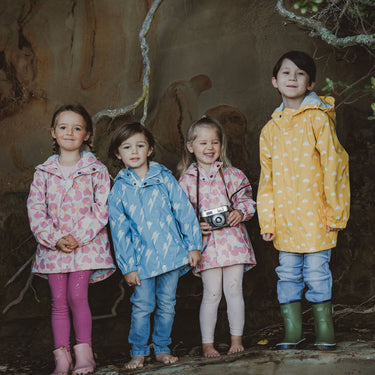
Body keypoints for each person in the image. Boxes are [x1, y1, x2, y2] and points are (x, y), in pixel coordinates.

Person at [257, 50, 350, 350]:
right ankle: (293, 332)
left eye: (300, 74)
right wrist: (267, 220)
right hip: (284, 221)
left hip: (317, 217)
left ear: (310, 84)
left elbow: (335, 166)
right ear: (275, 81)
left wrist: (336, 214)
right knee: (287, 274)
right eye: (286, 73)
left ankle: (325, 333)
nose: (292, 78)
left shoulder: (318, 121)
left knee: (317, 273)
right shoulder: (270, 130)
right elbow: (266, 180)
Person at [27, 104, 116, 375]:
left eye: (77, 128)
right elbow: (35, 209)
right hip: (54, 249)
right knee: (59, 301)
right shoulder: (43, 172)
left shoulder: (96, 170)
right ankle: (62, 358)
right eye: (63, 127)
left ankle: (85, 354)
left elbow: (102, 207)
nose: (70, 132)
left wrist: (77, 237)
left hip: (85, 247)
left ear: (87, 135)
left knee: (78, 296)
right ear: (53, 133)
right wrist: (55, 238)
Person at [107, 122, 202, 370]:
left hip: (171, 254)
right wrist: (128, 266)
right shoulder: (119, 189)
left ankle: (161, 348)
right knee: (142, 306)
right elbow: (120, 232)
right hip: (141, 261)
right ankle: (138, 350)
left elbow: (184, 211)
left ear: (150, 149)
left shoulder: (164, 178)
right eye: (127, 147)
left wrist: (193, 245)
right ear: (118, 154)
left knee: (167, 304)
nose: (134, 151)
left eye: (140, 145)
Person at [178, 116, 257, 358]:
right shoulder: (186, 181)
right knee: (211, 293)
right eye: (203, 143)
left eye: (215, 142)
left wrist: (239, 212)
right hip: (207, 246)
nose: (209, 148)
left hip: (233, 242)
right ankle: (207, 344)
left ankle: (236, 339)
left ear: (221, 145)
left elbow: (248, 200)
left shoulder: (233, 175)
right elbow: (179, 214)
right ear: (191, 146)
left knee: (234, 290)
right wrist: (194, 226)